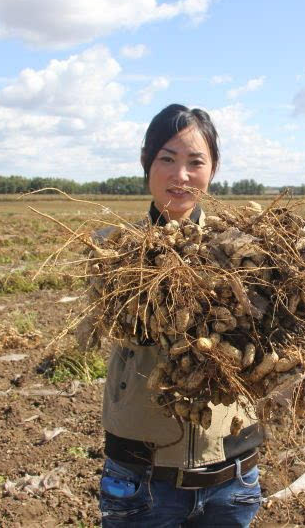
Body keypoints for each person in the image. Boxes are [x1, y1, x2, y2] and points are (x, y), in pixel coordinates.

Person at [98, 104, 265, 527]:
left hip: (233, 476)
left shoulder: (248, 251)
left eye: (196, 162)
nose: (181, 175)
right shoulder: (113, 248)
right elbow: (122, 323)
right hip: (143, 476)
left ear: (214, 169)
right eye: (167, 159)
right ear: (146, 162)